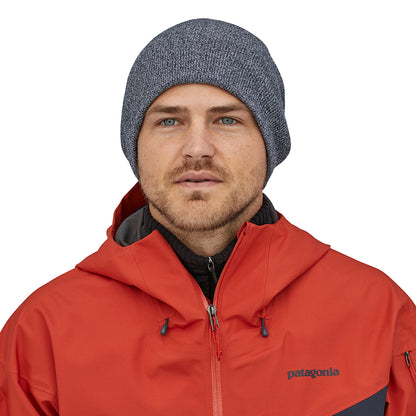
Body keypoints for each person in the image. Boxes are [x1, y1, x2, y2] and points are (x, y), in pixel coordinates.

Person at [0, 17, 415, 415]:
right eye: (169, 121)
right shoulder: (42, 333)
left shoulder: (377, 314)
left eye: (227, 119)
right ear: (136, 146)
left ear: (269, 145)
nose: (197, 148)